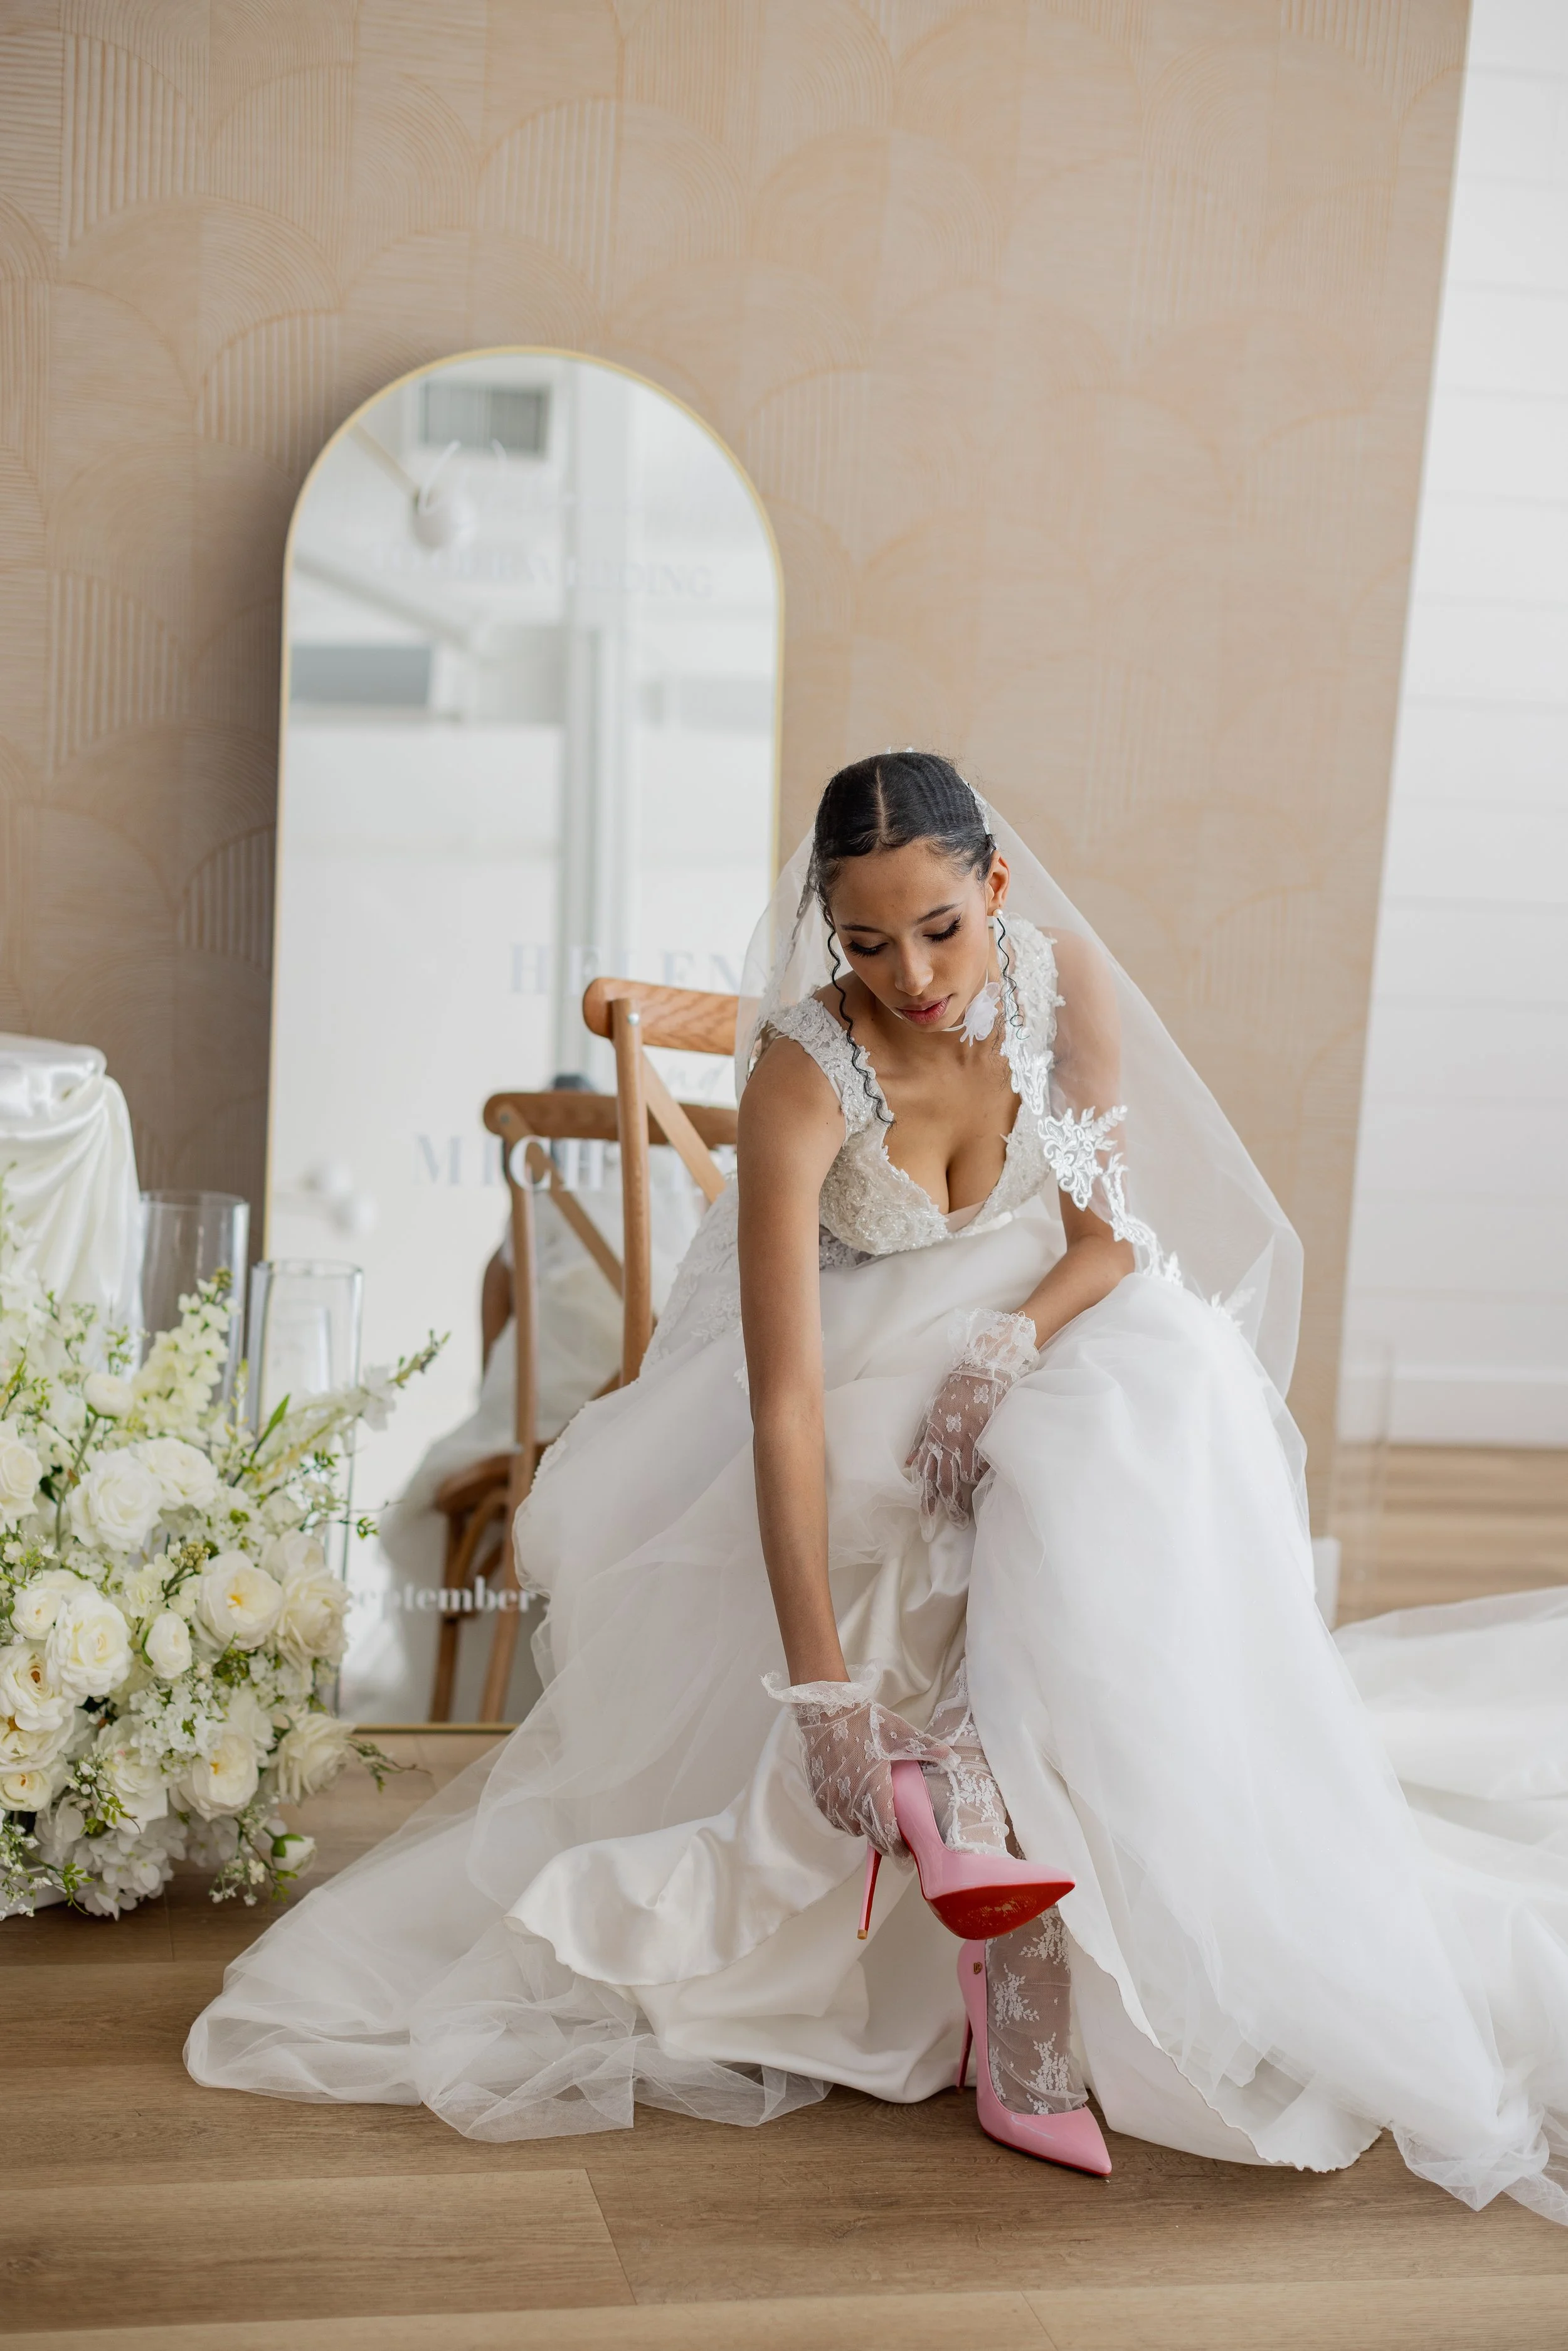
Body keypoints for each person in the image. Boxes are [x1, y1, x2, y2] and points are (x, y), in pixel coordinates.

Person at [188, 753, 1568, 2225]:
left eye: (938, 930)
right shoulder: (803, 1072)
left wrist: (1005, 1343)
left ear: (994, 888)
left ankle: (991, 1790)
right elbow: (779, 1400)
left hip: (1028, 1312)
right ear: (824, 932)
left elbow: (1107, 1240)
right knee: (952, 1457)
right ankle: (970, 1856)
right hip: (847, 1363)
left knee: (1152, 1385)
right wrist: (822, 1693)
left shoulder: (1065, 989)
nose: (908, 975)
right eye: (862, 942)